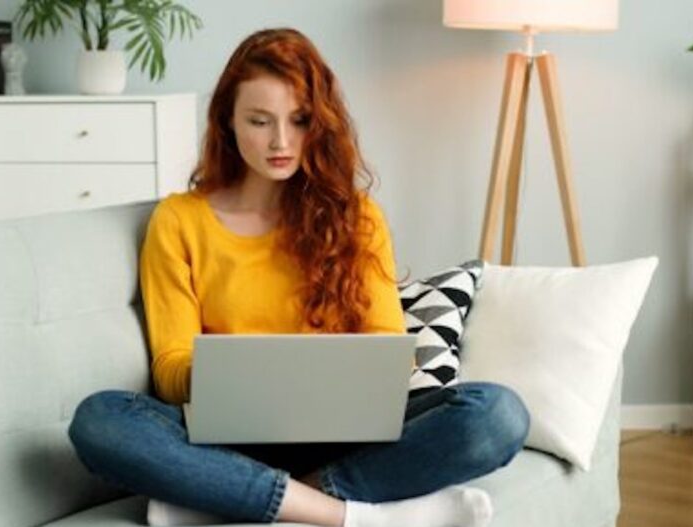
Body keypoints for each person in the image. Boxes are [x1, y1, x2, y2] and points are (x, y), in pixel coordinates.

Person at [68, 28, 530, 527]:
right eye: (260, 121)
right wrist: (238, 373)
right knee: (101, 421)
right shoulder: (179, 221)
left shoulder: (356, 216)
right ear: (227, 121)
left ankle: (239, 498)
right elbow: (171, 369)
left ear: (321, 122)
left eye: (299, 120)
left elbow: (385, 346)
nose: (281, 142)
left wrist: (336, 374)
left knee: (497, 414)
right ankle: (351, 515)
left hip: (345, 437)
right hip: (224, 434)